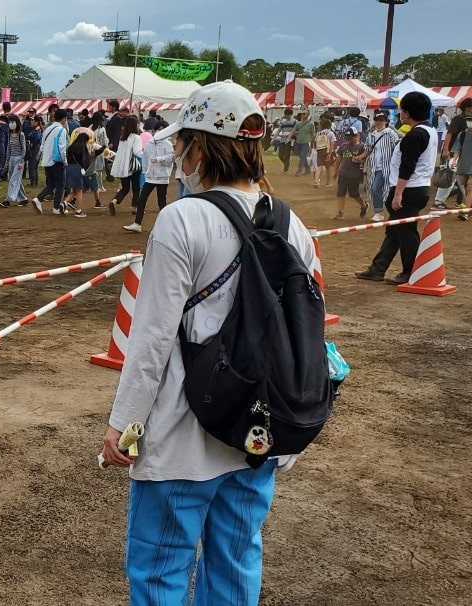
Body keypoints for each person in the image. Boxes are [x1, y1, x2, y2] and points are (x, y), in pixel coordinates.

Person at [99, 80, 319, 606]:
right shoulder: (296, 227)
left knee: (160, 570)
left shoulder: (182, 219)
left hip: (183, 432)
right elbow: (307, 330)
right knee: (237, 561)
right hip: (259, 432)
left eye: (181, 143)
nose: (176, 153)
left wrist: (123, 426)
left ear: (202, 144)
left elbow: (151, 338)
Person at [355, 92, 438, 285]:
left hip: (409, 189)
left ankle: (411, 271)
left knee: (407, 231)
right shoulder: (429, 131)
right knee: (395, 230)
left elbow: (407, 166)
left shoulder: (415, 135)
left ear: (406, 113)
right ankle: (378, 268)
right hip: (418, 187)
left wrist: (398, 193)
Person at [125, 121, 174, 233]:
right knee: (142, 199)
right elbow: (145, 158)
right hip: (150, 177)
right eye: (159, 128)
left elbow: (172, 158)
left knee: (161, 202)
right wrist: (146, 171)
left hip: (162, 177)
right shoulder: (150, 143)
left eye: (163, 129)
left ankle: (167, 226)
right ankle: (137, 223)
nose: (160, 131)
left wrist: (159, 159)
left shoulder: (168, 144)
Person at [433, 97, 472, 209]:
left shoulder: (471, 119)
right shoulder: (459, 119)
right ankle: (439, 201)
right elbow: (449, 133)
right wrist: (445, 149)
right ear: (467, 108)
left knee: (462, 178)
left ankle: (470, 201)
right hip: (453, 152)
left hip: (463, 153)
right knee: (450, 177)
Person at [357, 113, 399, 222]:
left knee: (377, 188)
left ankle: (379, 211)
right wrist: (360, 157)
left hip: (386, 166)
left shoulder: (390, 133)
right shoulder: (372, 135)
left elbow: (397, 148)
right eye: (377, 120)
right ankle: (379, 211)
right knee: (374, 188)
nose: (379, 122)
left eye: (381, 120)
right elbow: (368, 150)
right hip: (373, 166)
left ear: (385, 121)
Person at [32, 109, 70, 214]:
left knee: (52, 183)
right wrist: (65, 161)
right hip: (57, 161)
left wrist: (39, 156)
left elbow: (42, 145)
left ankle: (39, 199)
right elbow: (62, 147)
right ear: (64, 119)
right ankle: (56, 208)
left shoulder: (47, 129)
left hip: (46, 160)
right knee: (60, 184)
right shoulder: (61, 130)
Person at [109, 116, 144, 213]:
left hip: (123, 166)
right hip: (134, 166)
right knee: (136, 188)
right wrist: (144, 153)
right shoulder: (137, 137)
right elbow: (137, 152)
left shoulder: (122, 138)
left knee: (125, 188)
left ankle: (114, 201)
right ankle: (135, 208)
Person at [333, 127, 369, 220]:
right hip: (343, 173)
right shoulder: (344, 146)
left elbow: (366, 161)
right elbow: (339, 159)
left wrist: (359, 160)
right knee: (340, 193)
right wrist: (336, 172)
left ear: (357, 135)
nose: (349, 139)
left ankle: (363, 205)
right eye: (347, 138)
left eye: (351, 137)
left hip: (354, 174)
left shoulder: (362, 147)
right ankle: (340, 212)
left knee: (354, 193)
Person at [59, 131, 91, 218]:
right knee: (79, 191)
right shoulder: (82, 147)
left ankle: (64, 203)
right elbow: (85, 160)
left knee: (74, 190)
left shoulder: (71, 147)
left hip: (69, 168)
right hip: (77, 168)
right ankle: (78, 211)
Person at [0, 116, 29, 207]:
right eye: (10, 122)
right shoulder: (9, 135)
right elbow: (8, 148)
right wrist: (7, 161)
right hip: (12, 159)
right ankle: (23, 199)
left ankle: (8, 200)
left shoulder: (21, 135)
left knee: (13, 180)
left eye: (13, 122)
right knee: (16, 180)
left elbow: (24, 148)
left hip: (19, 159)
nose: (11, 124)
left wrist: (21, 160)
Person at [312, 117, 336, 189]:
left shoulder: (319, 133)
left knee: (319, 167)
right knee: (328, 168)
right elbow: (332, 144)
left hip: (320, 151)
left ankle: (316, 181)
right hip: (327, 151)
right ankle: (328, 183)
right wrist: (330, 153)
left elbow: (315, 141)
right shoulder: (330, 133)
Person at [272, 109, 297, 173]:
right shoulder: (282, 122)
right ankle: (287, 164)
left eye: (288, 115)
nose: (287, 116)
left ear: (291, 115)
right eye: (286, 115)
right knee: (280, 155)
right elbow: (278, 130)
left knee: (287, 154)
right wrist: (273, 138)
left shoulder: (294, 122)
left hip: (290, 140)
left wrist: (291, 135)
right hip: (282, 140)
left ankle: (285, 169)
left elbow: (295, 130)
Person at [291, 112, 315, 177]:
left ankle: (299, 171)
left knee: (302, 156)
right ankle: (307, 169)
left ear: (308, 115)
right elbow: (293, 131)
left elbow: (313, 134)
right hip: (298, 142)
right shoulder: (298, 124)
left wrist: (311, 142)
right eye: (302, 113)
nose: (302, 115)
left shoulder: (311, 124)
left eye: (304, 114)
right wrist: (288, 138)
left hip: (306, 143)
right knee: (302, 156)